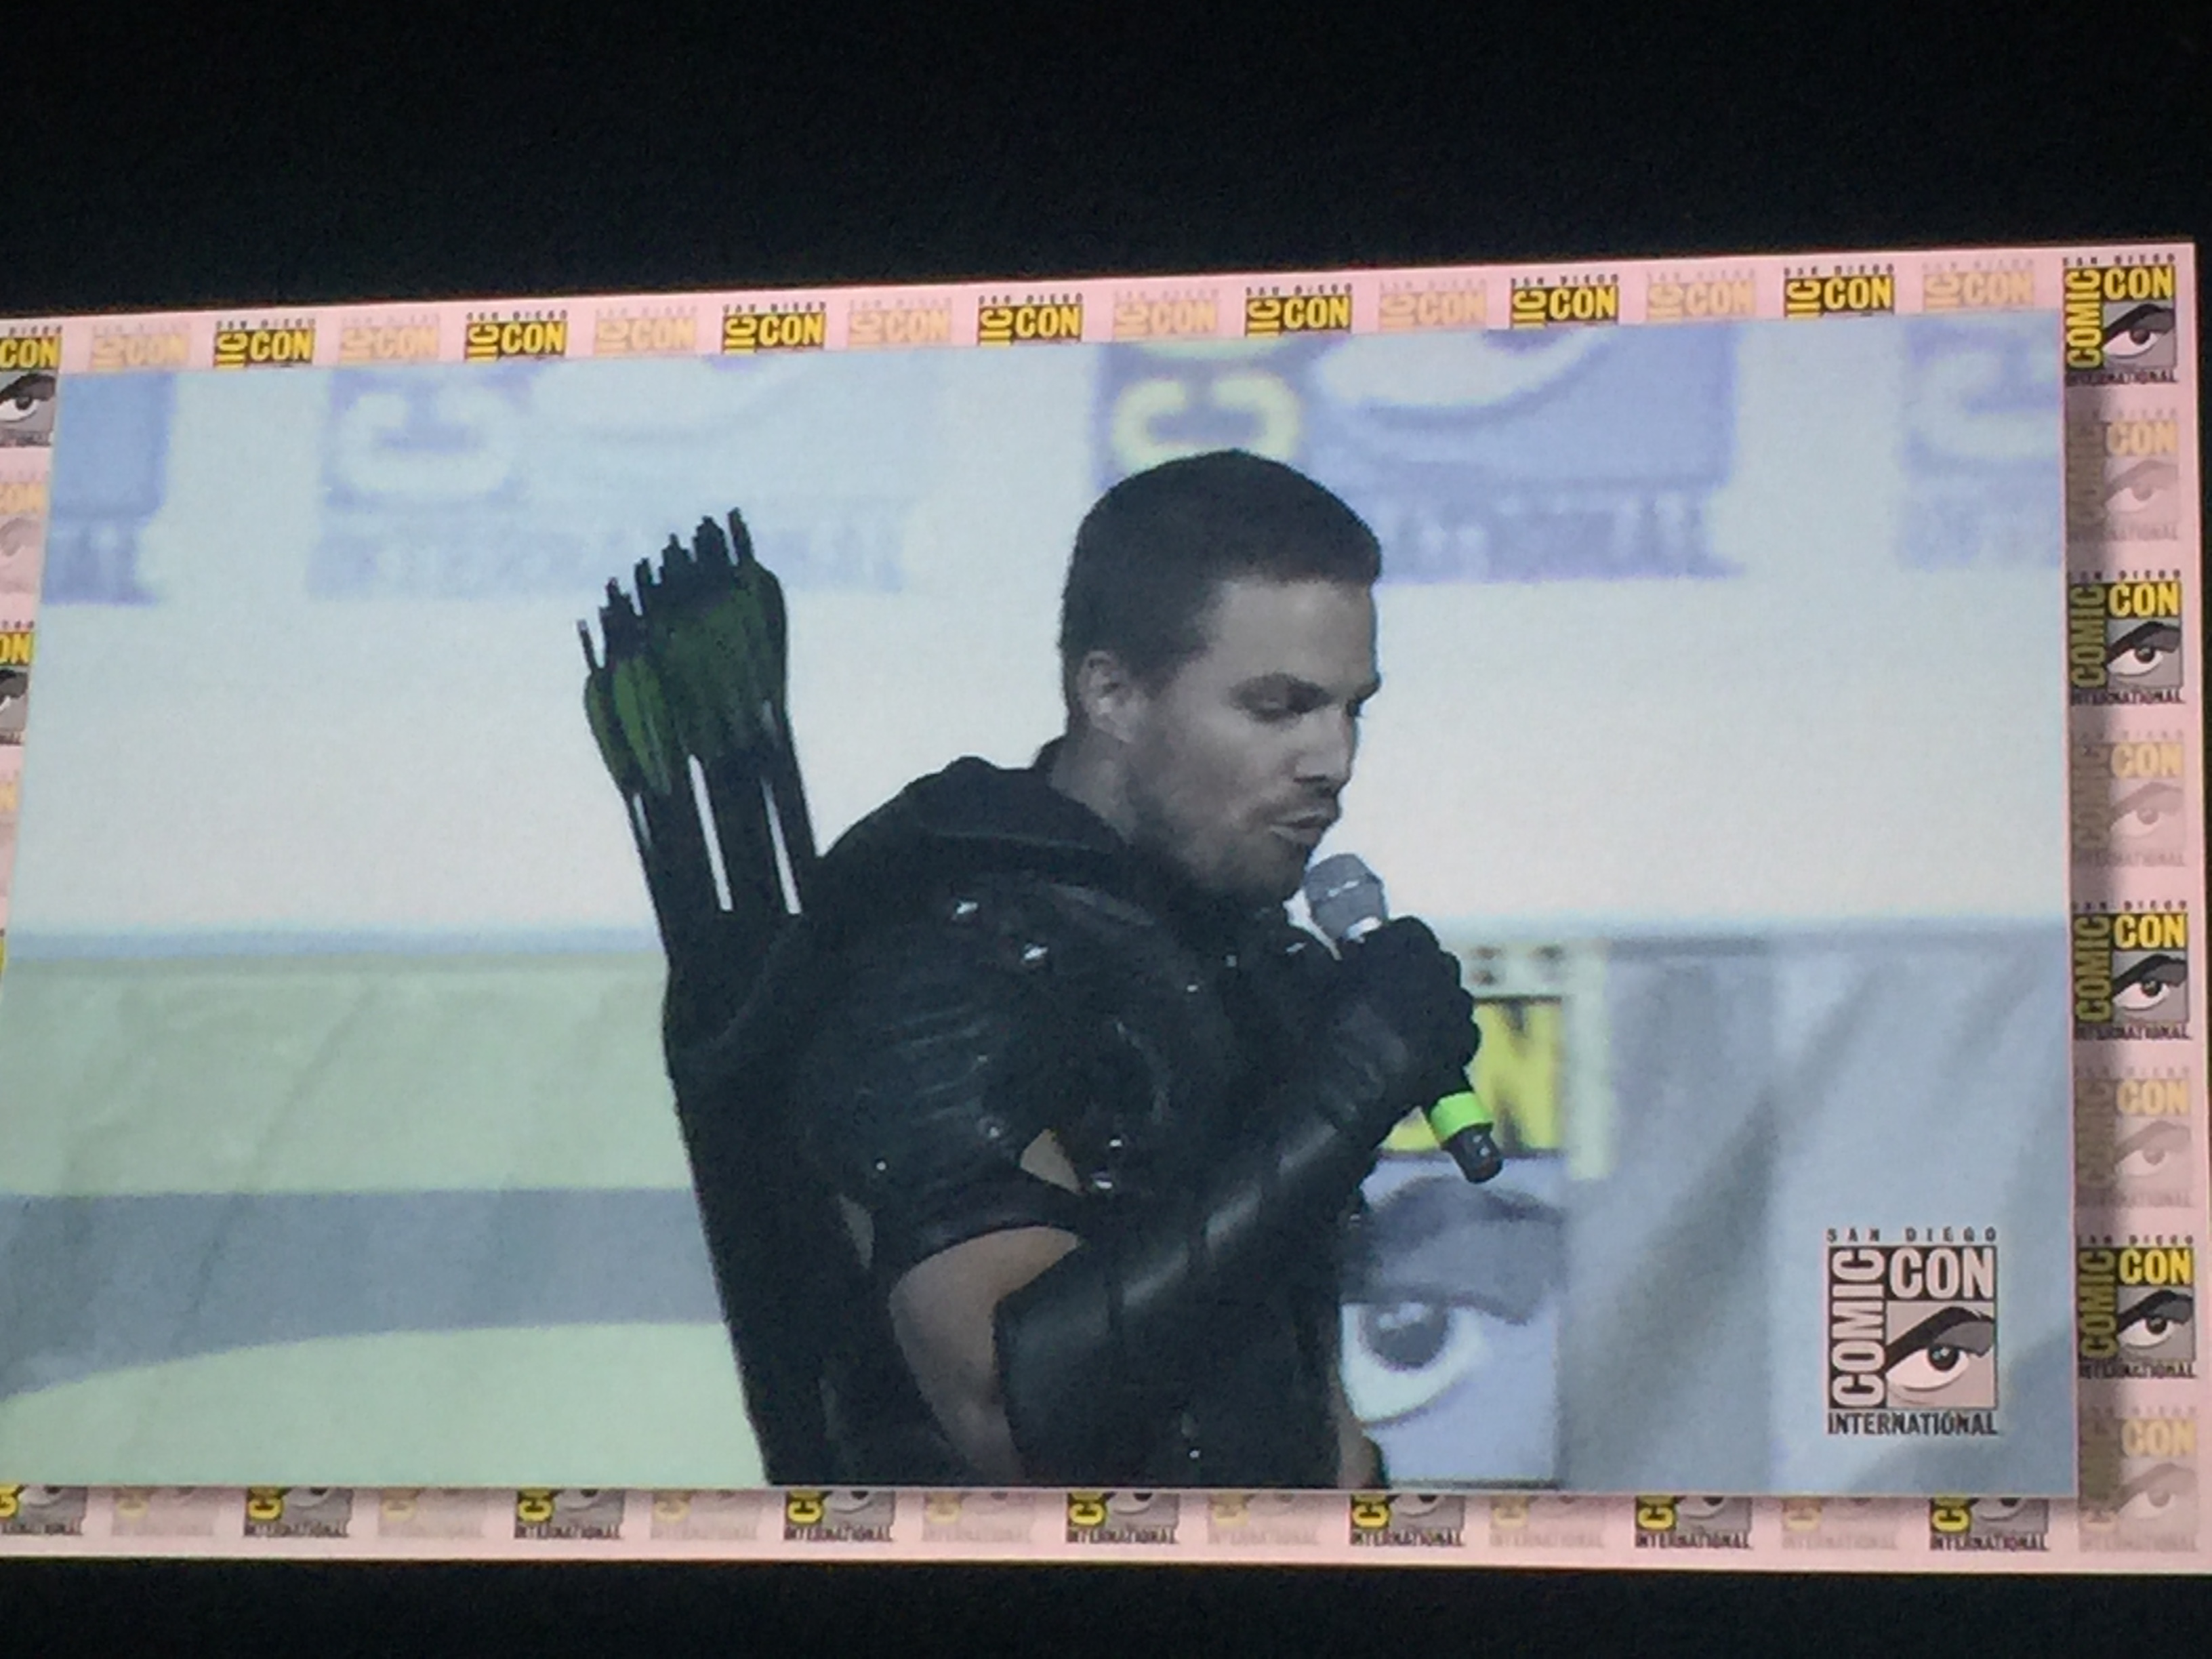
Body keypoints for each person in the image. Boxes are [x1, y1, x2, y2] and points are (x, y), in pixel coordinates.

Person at [678, 449, 1477, 1488]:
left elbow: (1295, 1384)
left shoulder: (1241, 953)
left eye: (1351, 708)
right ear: (1111, 693)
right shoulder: (944, 955)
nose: (1334, 760)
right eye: (1278, 708)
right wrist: (1347, 1092)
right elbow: (1013, 1416)